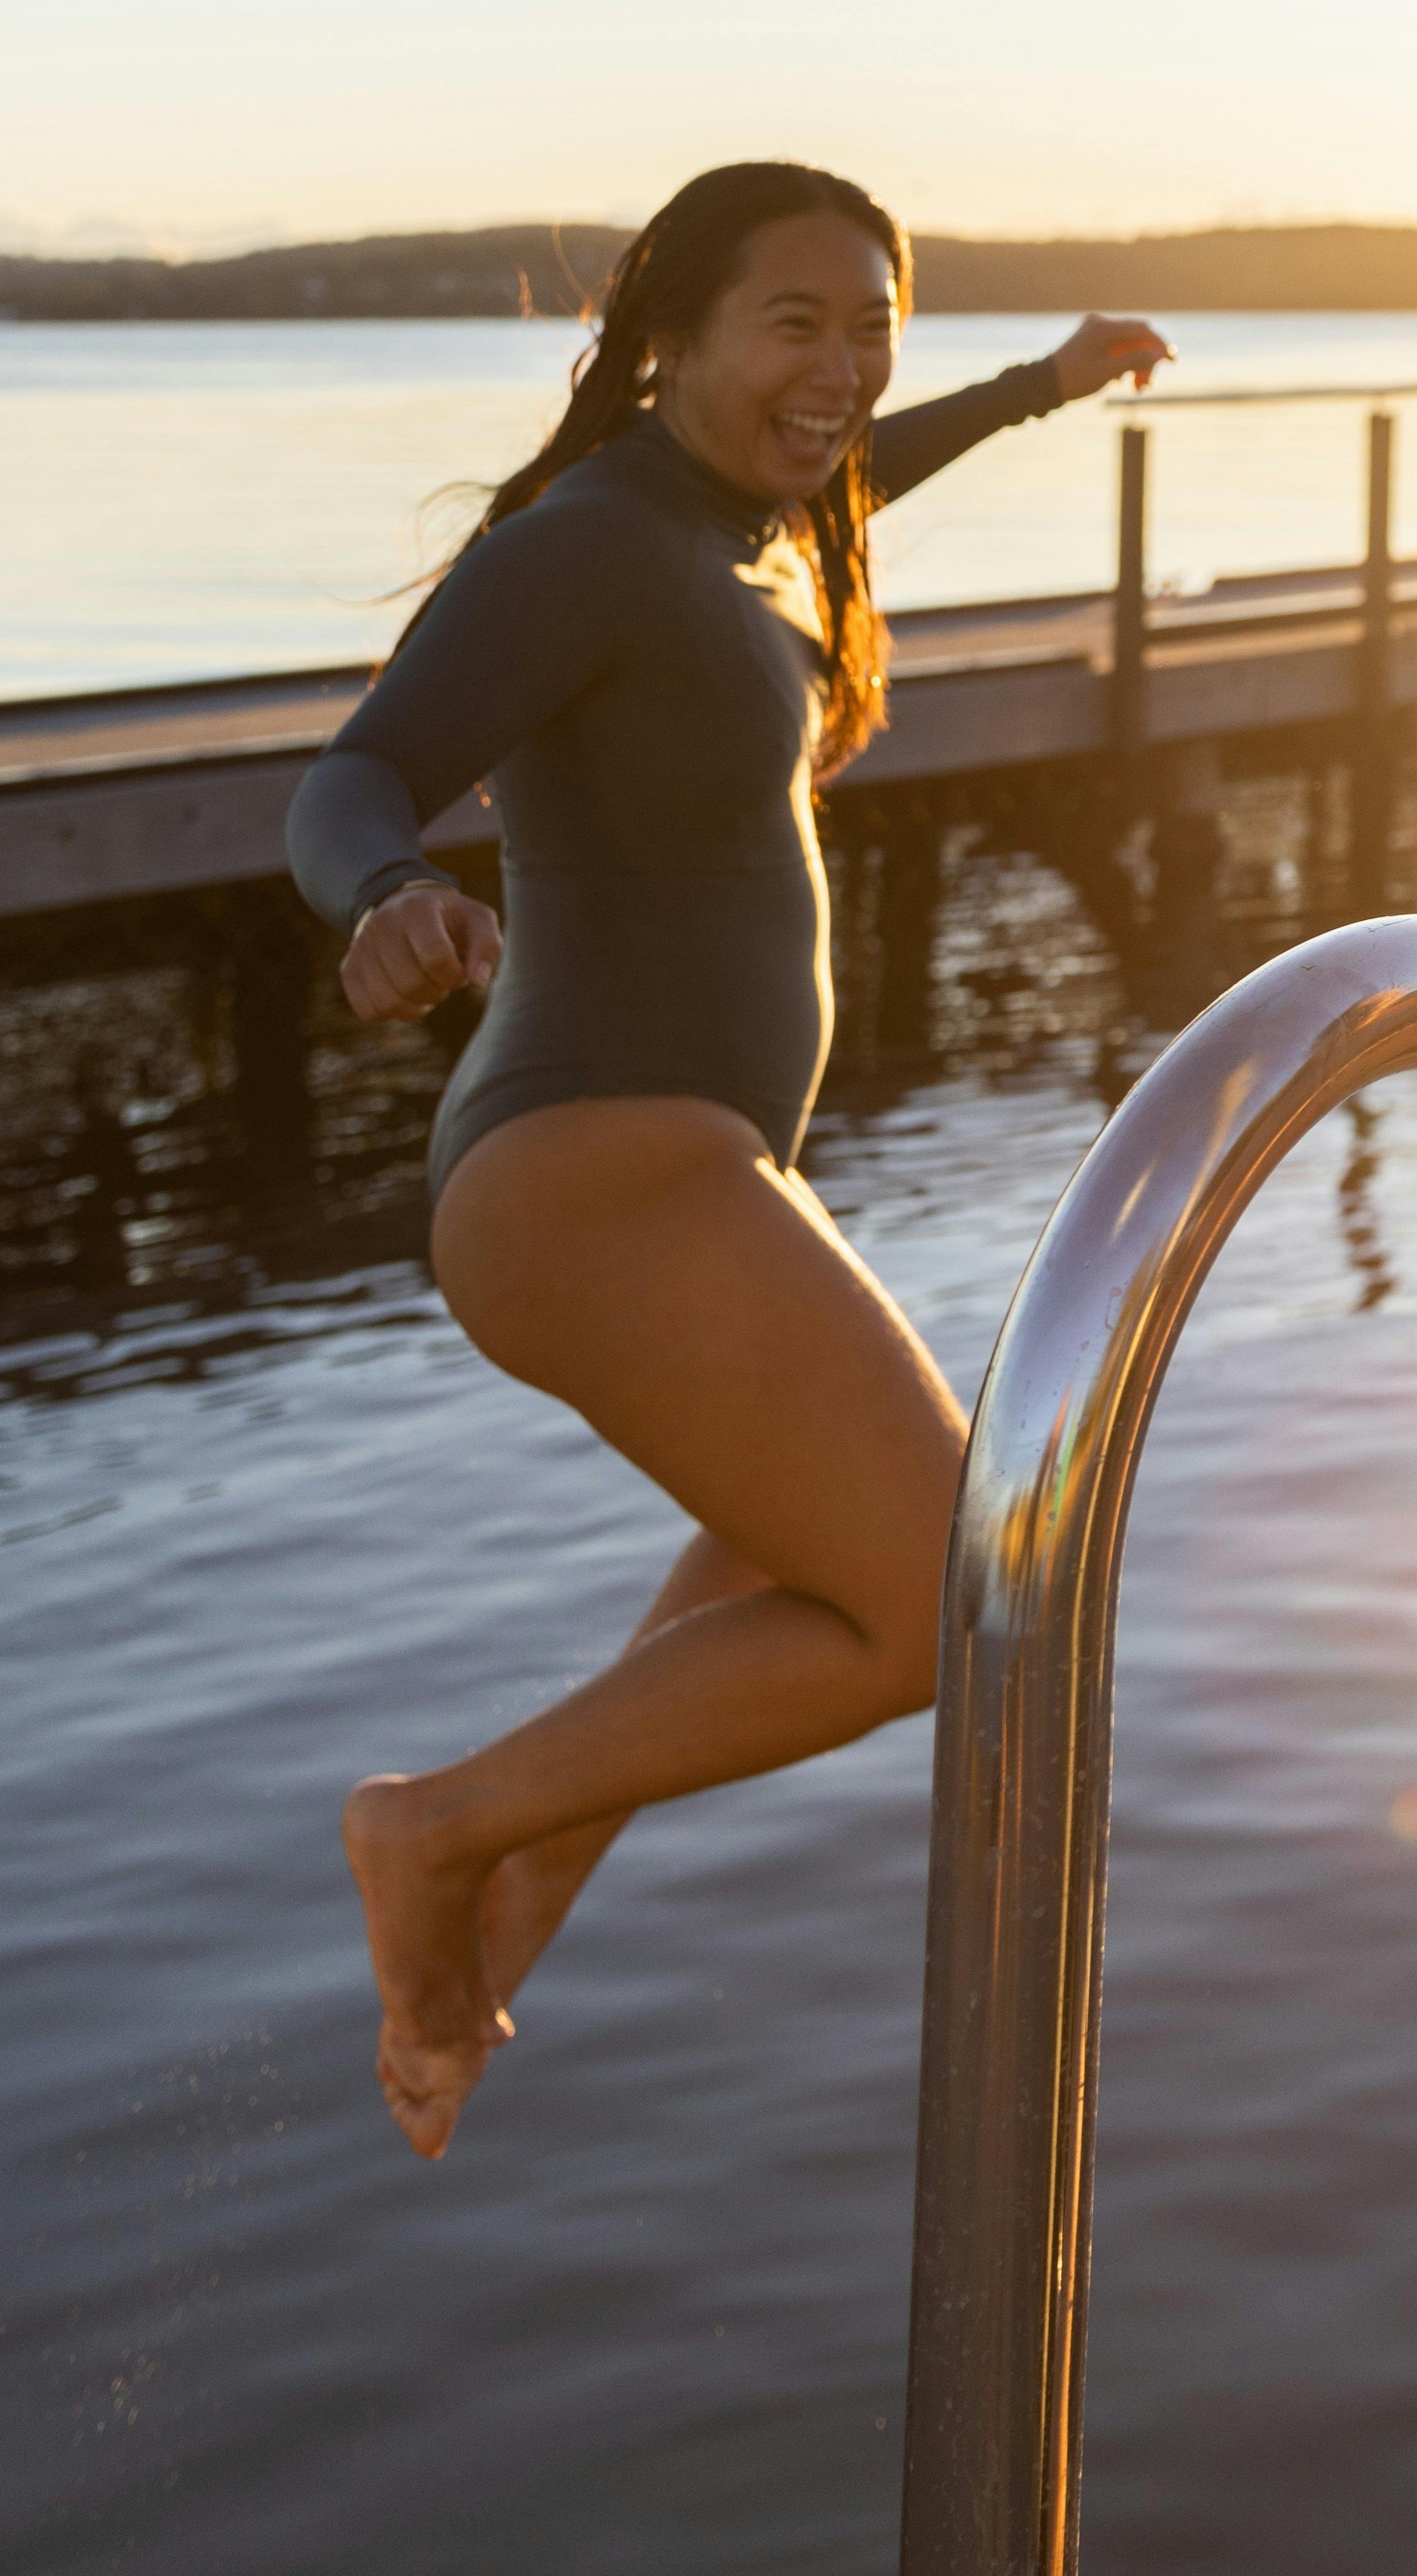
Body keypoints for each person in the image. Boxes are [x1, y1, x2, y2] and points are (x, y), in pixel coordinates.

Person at [287, 158, 1165, 2159]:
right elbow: (356, 766)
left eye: (875, 326)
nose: (846, 368)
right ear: (667, 336)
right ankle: (434, 1829)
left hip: (680, 1174)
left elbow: (862, 466)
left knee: (793, 1564)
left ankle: (495, 1917)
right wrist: (387, 897)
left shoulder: (753, 523)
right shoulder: (587, 544)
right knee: (951, 1585)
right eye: (799, 323)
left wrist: (1035, 385)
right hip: (593, 1169)